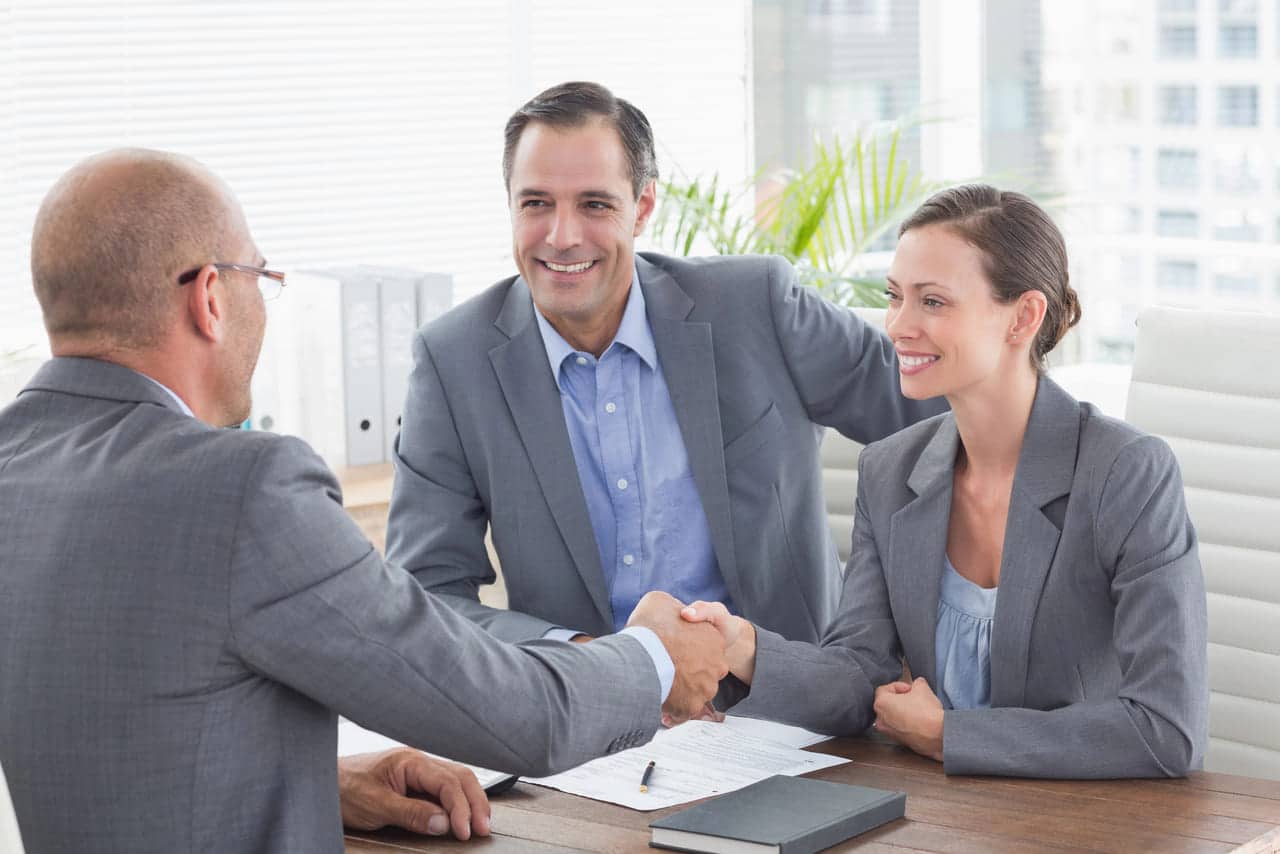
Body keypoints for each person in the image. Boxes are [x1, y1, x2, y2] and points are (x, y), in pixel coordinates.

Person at [0, 148, 727, 854]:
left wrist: (320, 781)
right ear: (211, 297)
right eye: (259, 274)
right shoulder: (243, 490)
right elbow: (508, 713)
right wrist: (657, 656)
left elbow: (122, 729)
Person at [386, 81, 945, 654]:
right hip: (593, 718)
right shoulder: (453, 364)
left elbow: (949, 416)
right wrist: (586, 656)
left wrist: (900, 628)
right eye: (536, 203)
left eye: (595, 204)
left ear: (643, 207)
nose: (562, 235)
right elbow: (422, 594)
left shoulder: (756, 307)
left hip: (793, 709)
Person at [683, 185, 1209, 778]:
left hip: (1083, 820)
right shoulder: (890, 470)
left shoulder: (1126, 472)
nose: (899, 326)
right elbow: (860, 672)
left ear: (1023, 317)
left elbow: (1166, 727)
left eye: (932, 302)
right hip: (938, 817)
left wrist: (950, 735)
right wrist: (744, 650)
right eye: (894, 297)